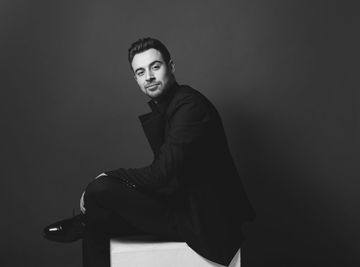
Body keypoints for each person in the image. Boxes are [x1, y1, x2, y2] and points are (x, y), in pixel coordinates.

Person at [43, 37, 255, 267]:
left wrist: (108, 177)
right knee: (97, 224)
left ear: (170, 67)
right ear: (135, 78)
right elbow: (169, 178)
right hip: (181, 207)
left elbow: (160, 174)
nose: (149, 77)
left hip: (202, 221)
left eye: (155, 67)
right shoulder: (170, 107)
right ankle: (85, 223)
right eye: (141, 72)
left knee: (101, 188)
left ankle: (83, 222)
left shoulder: (190, 107)